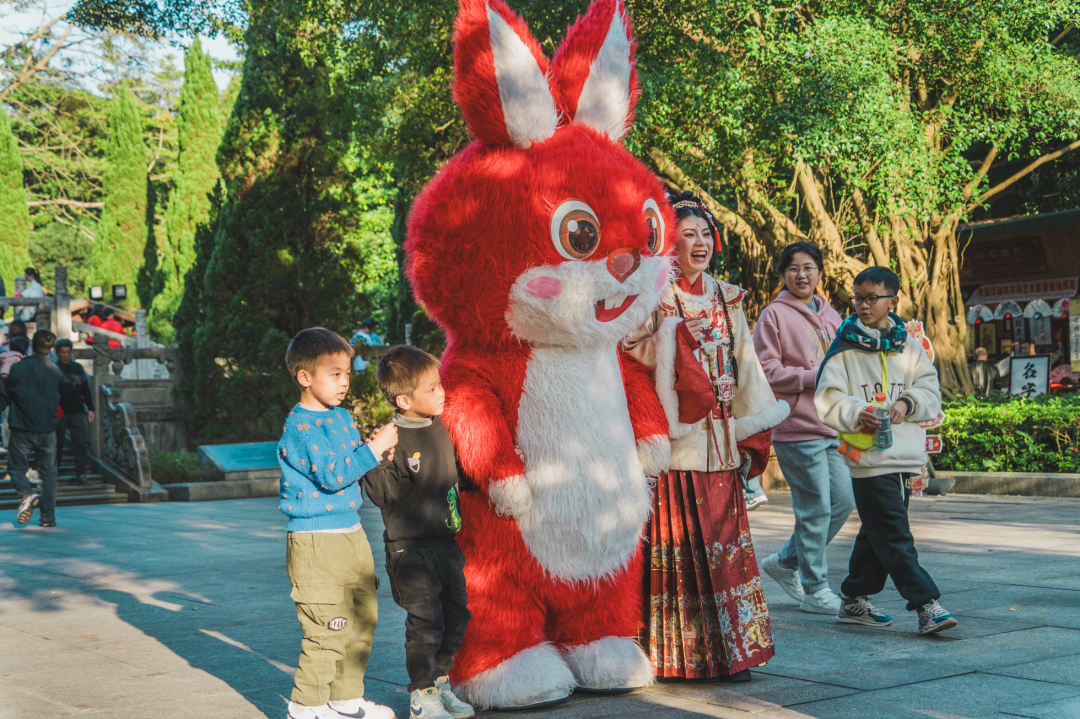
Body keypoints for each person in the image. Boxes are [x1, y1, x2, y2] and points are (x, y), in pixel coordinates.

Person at [624, 191, 790, 681]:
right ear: (667, 245)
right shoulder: (652, 295)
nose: (699, 243)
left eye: (704, 234)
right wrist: (673, 346)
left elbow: (749, 368)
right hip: (677, 443)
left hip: (719, 436)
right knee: (677, 548)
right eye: (686, 235)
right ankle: (677, 656)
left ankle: (732, 652)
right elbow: (630, 350)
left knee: (726, 549)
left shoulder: (728, 296)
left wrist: (752, 431)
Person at [814, 266, 957, 635]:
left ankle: (854, 598)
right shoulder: (844, 345)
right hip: (867, 458)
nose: (862, 305)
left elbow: (929, 388)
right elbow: (827, 397)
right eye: (857, 297)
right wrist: (856, 412)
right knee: (894, 533)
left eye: (872, 298)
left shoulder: (907, 345)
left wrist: (907, 402)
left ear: (893, 301)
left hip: (904, 456)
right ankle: (926, 605)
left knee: (877, 530)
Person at [277, 327, 399, 719]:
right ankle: (306, 706)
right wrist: (372, 450)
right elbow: (333, 474)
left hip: (351, 533)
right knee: (328, 626)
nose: (344, 382)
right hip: (316, 543)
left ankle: (346, 700)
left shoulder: (342, 417)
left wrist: (377, 450)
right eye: (334, 373)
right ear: (305, 377)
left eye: (347, 373)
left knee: (363, 620)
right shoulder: (299, 428)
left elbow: (353, 465)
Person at [362, 346, 474, 719]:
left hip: (446, 544)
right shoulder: (392, 438)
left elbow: (456, 473)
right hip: (410, 552)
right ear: (405, 399)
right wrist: (374, 458)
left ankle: (440, 683)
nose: (441, 393)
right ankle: (421, 696)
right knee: (425, 625)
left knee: (456, 617)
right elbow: (382, 494)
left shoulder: (439, 427)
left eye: (440, 384)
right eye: (432, 388)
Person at [753, 242, 856, 615]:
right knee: (815, 510)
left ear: (819, 272)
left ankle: (784, 562)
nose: (802, 275)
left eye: (809, 268)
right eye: (793, 269)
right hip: (797, 427)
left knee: (843, 502)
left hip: (832, 425)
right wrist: (816, 376)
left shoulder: (833, 315)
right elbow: (767, 373)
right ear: (783, 274)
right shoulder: (772, 316)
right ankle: (815, 589)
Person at [7, 330, 63, 527]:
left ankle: (27, 494)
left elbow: (5, 394)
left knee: (16, 468)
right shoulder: (57, 371)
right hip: (47, 428)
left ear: (33, 344)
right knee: (49, 474)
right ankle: (48, 518)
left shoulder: (19, 368)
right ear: (51, 347)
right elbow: (67, 397)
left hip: (22, 426)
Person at [54, 339, 95, 485]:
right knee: (57, 444)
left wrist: (90, 408)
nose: (66, 355)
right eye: (63, 352)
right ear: (57, 353)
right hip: (60, 412)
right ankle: (55, 472)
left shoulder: (78, 368)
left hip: (77, 410)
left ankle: (81, 474)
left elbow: (86, 389)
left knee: (80, 444)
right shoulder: (54, 368)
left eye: (68, 352)